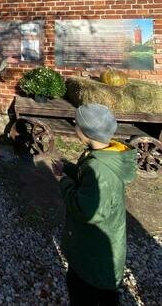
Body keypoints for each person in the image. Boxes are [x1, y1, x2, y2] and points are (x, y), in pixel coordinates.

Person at [52, 103, 137, 306]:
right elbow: (88, 180)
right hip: (95, 245)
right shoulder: (104, 153)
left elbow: (87, 211)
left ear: (86, 132)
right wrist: (70, 169)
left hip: (95, 253)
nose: (75, 126)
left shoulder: (100, 170)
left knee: (87, 293)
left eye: (76, 124)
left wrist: (63, 182)